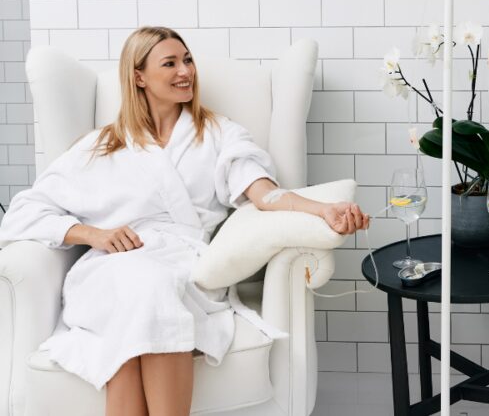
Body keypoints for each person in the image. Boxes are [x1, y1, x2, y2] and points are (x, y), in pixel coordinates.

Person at [0, 27, 370, 416]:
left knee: (147, 297)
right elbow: (23, 213)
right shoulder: (100, 146)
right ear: (138, 77)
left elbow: (264, 194)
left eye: (188, 60)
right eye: (170, 63)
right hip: (108, 270)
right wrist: (93, 234)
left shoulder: (218, 133)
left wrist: (321, 209)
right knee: (140, 291)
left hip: (182, 265)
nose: (186, 71)